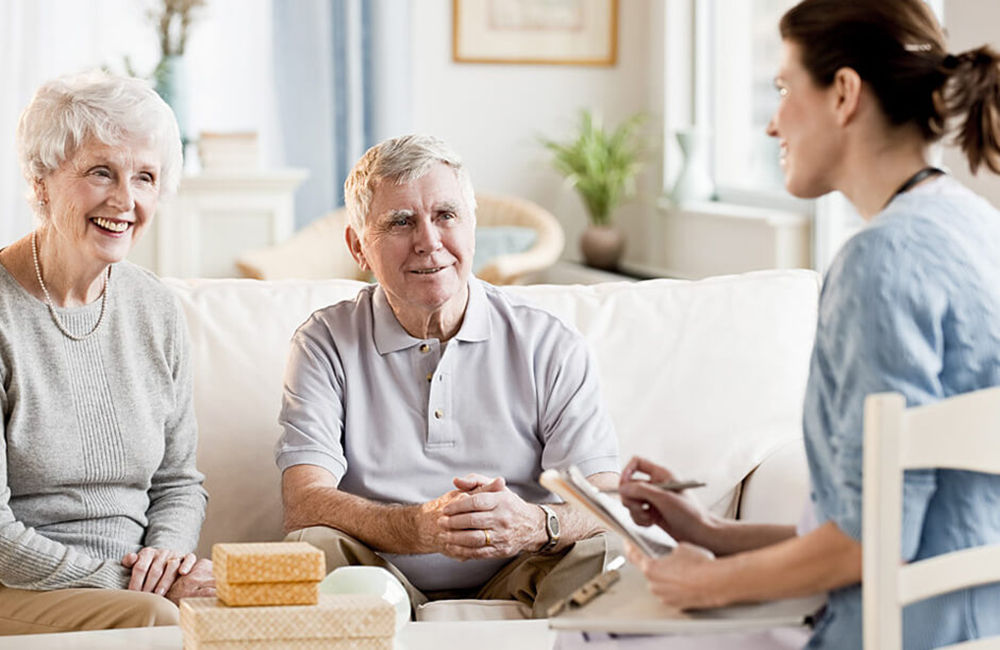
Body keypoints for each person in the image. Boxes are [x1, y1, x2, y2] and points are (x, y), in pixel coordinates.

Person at [620, 0, 1000, 647]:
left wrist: (700, 584)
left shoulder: (880, 259)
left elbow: (869, 546)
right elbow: (882, 520)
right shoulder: (975, 226)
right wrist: (712, 535)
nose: (771, 125)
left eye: (782, 89)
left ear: (844, 94)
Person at [276, 134, 620, 617]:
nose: (429, 242)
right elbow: (304, 503)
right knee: (314, 546)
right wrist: (417, 527)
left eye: (446, 216)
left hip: (523, 573)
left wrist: (535, 524)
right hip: (380, 584)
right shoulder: (323, 342)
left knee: (608, 553)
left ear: (472, 227)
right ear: (358, 246)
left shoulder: (549, 342)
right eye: (401, 222)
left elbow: (606, 500)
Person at [0, 70, 214, 635]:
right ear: (42, 178)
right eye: (101, 172)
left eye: (145, 177)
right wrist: (129, 586)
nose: (126, 200)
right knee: (154, 619)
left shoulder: (155, 309)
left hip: (139, 594)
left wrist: (167, 556)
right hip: (20, 583)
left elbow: (178, 483)